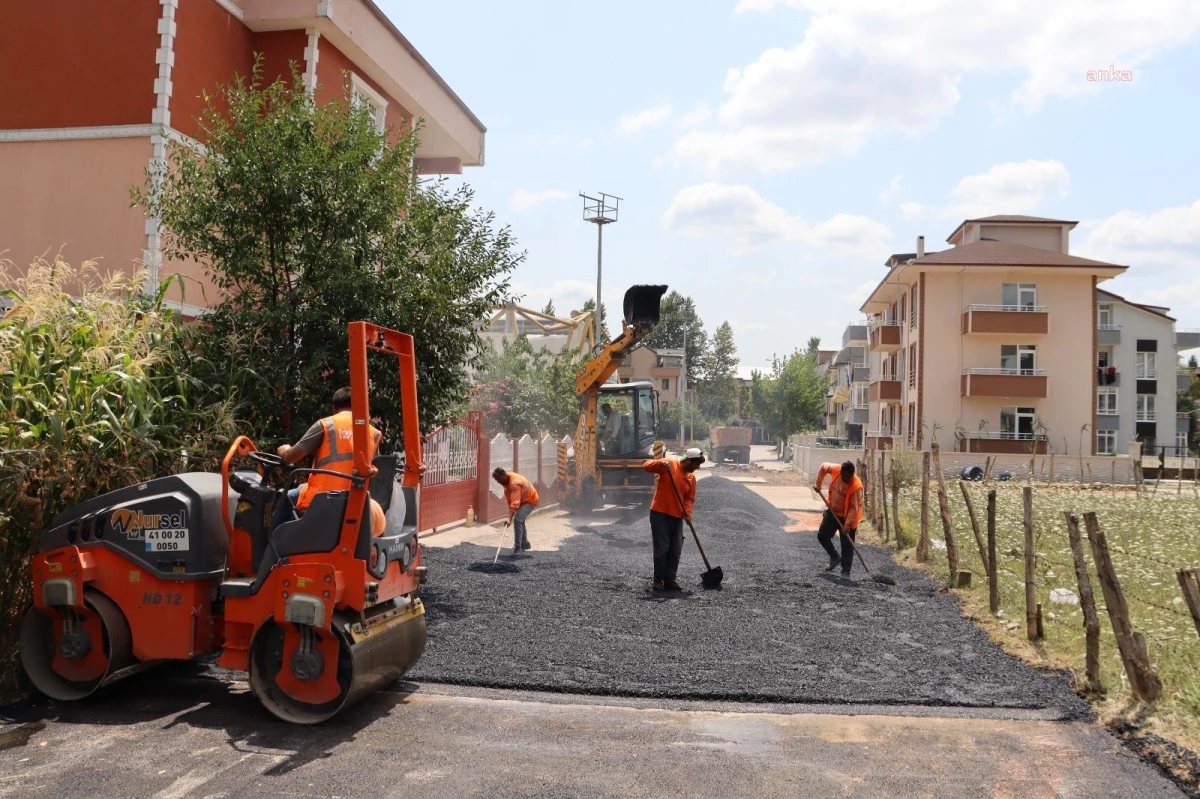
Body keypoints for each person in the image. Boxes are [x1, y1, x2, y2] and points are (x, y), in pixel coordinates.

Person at [271, 387, 382, 529]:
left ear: (334, 408)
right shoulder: (373, 432)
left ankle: (274, 544)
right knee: (298, 488)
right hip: (358, 499)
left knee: (283, 495)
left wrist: (283, 450)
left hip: (323, 498)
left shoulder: (326, 425)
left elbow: (289, 458)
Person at [643, 447, 705, 591]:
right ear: (689, 460)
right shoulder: (670, 464)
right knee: (662, 547)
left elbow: (689, 498)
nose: (697, 468)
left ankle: (670, 580)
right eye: (696, 464)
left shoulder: (691, 478)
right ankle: (658, 581)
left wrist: (688, 513)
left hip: (677, 516)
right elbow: (646, 466)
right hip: (660, 513)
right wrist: (659, 465)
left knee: (675, 549)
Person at [813, 460, 864, 576]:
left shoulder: (856, 486)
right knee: (822, 536)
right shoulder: (835, 469)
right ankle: (834, 556)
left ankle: (845, 572)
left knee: (847, 545)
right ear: (841, 472)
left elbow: (853, 508)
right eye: (846, 476)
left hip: (848, 517)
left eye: (850, 477)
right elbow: (823, 467)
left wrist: (847, 525)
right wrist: (818, 484)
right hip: (833, 511)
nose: (848, 479)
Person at [492, 467, 539, 554]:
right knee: (520, 520)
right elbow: (511, 500)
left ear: (504, 474)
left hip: (530, 500)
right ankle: (524, 543)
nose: (498, 481)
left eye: (499, 479)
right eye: (496, 480)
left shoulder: (514, 483)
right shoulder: (506, 481)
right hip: (523, 500)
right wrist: (510, 515)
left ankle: (518, 548)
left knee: (517, 520)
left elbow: (515, 502)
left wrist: (509, 517)